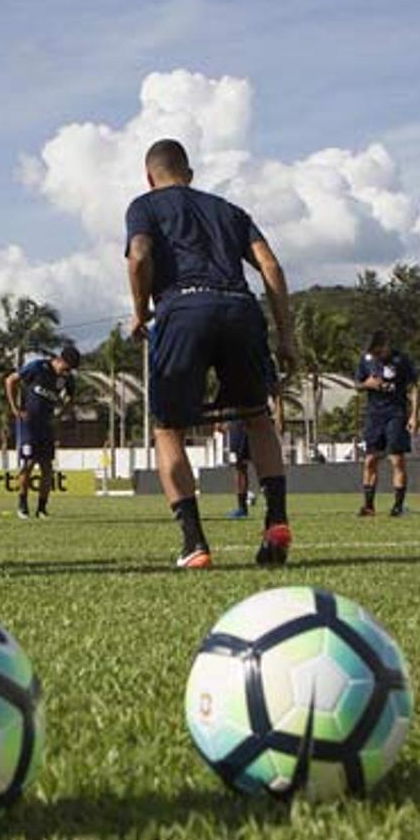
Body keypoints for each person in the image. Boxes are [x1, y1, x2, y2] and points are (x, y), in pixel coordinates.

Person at [125, 139, 297, 569]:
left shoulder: (144, 207)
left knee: (168, 429)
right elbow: (271, 267)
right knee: (257, 417)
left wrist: (139, 311)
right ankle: (276, 521)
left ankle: (194, 543)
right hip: (240, 308)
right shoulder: (229, 210)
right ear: (191, 172)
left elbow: (139, 256)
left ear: (150, 177)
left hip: (182, 309)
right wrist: (286, 336)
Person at [8, 345, 81, 519]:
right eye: (66, 368)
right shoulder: (38, 367)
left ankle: (41, 508)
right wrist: (15, 409)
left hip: (47, 426)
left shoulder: (67, 378)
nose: (67, 372)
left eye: (71, 370)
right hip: (29, 423)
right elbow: (10, 380)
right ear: (60, 360)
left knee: (47, 467)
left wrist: (60, 415)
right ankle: (22, 505)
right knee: (28, 464)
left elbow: (71, 397)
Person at [355, 331, 418, 518]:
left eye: (377, 351)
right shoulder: (366, 360)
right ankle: (368, 506)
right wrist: (367, 384)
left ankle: (398, 506)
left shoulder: (401, 360)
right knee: (370, 460)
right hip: (374, 416)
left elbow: (413, 386)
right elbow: (357, 384)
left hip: (396, 414)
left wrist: (414, 415)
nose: (375, 356)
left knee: (396, 460)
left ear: (386, 345)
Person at [222, 419, 253, 519]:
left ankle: (242, 508)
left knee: (241, 467)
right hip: (236, 423)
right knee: (239, 467)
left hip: (241, 423)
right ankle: (241, 507)